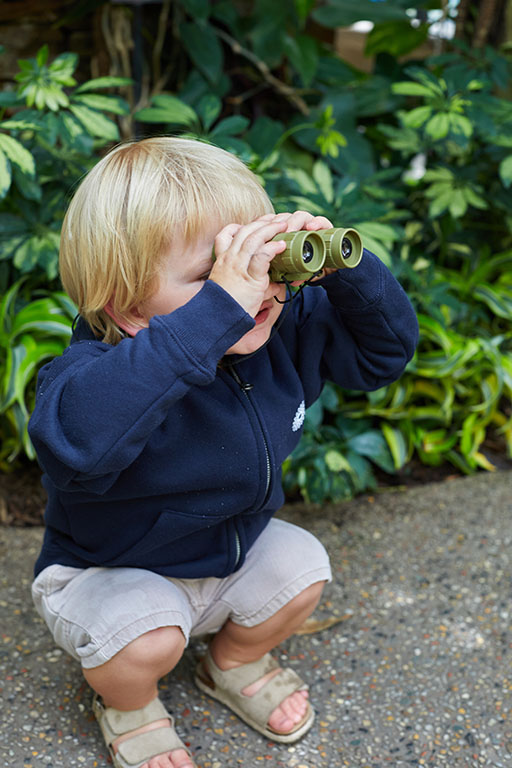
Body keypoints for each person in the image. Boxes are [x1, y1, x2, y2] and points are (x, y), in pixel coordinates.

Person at [29, 136, 418, 768]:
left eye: (259, 258)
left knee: (303, 568)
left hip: (227, 554)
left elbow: (383, 356)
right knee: (145, 637)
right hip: (110, 574)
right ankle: (129, 706)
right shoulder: (92, 376)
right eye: (217, 276)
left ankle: (232, 663)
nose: (254, 289)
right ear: (128, 307)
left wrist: (348, 272)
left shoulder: (278, 331)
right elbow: (78, 448)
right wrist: (215, 317)